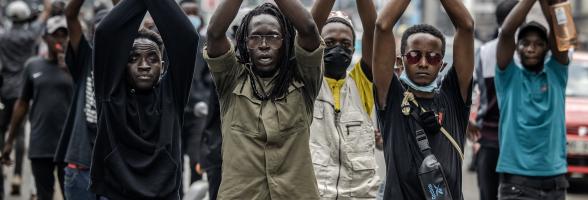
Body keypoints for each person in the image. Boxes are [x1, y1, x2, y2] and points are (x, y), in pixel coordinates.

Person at [205, 0, 323, 199]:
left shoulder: (303, 79)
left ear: (286, 41)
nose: (264, 45)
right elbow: (215, 33)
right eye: (255, 37)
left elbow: (309, 29)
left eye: (273, 37)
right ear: (244, 42)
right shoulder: (231, 79)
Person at [88, 0, 198, 198]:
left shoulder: (172, 95)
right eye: (133, 58)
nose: (144, 65)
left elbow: (187, 38)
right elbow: (105, 33)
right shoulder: (110, 95)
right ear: (121, 66)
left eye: (152, 59)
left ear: (163, 66)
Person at [373, 0, 474, 199]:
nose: (423, 63)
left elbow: (467, 26)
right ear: (400, 61)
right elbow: (382, 26)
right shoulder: (391, 96)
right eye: (414, 56)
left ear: (442, 66)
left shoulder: (453, 98)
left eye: (433, 57)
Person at [495, 0, 571, 199]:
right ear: (517, 48)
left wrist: (550, 4)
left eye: (538, 44)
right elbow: (506, 33)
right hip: (516, 183)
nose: (531, 48)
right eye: (525, 43)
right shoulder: (508, 76)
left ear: (547, 49)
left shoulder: (556, 74)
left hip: (554, 181)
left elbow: (562, 35)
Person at [308, 0, 380, 198]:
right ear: (319, 44)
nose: (338, 48)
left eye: (345, 44)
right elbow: (309, 28)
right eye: (329, 43)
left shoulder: (361, 82)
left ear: (354, 48)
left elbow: (372, 30)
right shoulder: (305, 82)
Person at [1, 15, 72, 200]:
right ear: (45, 38)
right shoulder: (33, 66)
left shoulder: (76, 65)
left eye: (64, 35)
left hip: (69, 146)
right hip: (41, 145)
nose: (60, 40)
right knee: (44, 195)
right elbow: (22, 104)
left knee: (70, 194)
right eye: (55, 35)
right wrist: (9, 142)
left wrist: (69, 67)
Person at [53, 0, 113, 199]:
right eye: (100, 31)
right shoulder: (86, 57)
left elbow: (130, 20)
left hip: (113, 172)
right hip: (80, 168)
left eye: (110, 30)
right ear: (92, 35)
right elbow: (71, 15)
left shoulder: (126, 61)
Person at [0, 0, 52, 196]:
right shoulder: (31, 35)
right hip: (24, 90)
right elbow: (46, 12)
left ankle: (2, 167)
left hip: (4, 90)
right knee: (20, 133)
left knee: (2, 130)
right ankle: (17, 175)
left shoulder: (3, 36)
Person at [468, 1, 518, 200]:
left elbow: (466, 88)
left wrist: (465, 117)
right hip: (495, 138)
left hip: (493, 139)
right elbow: (467, 87)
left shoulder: (485, 51)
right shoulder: (488, 51)